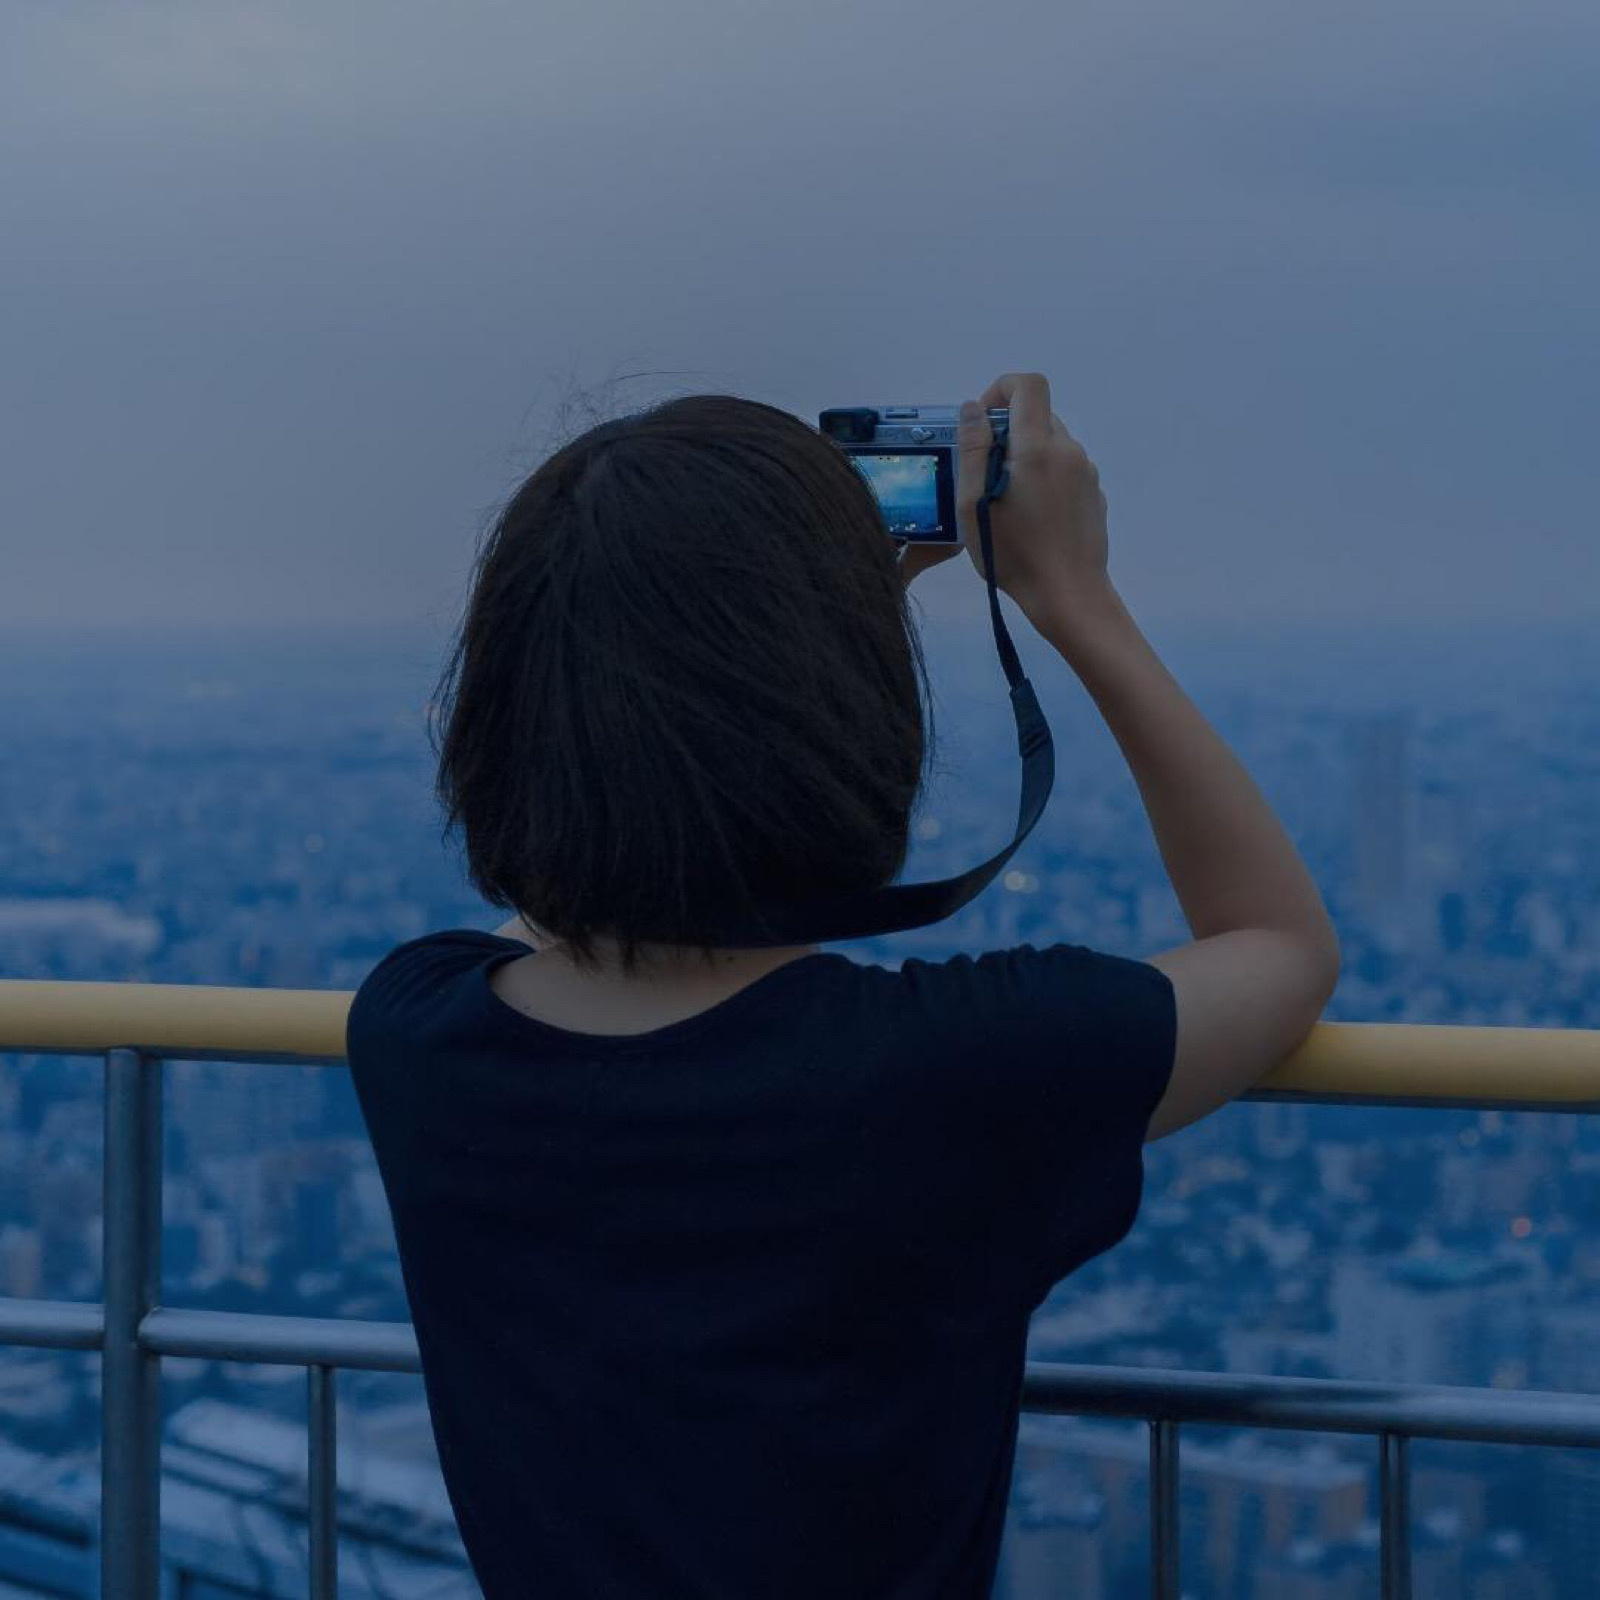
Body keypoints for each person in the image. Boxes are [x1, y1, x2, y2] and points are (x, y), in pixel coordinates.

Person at [345, 370, 1340, 1598]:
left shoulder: (415, 1032)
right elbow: (1278, 943)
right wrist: (1073, 597)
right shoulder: (959, 1070)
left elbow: (569, 892)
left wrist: (774, 612)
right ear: (852, 725)